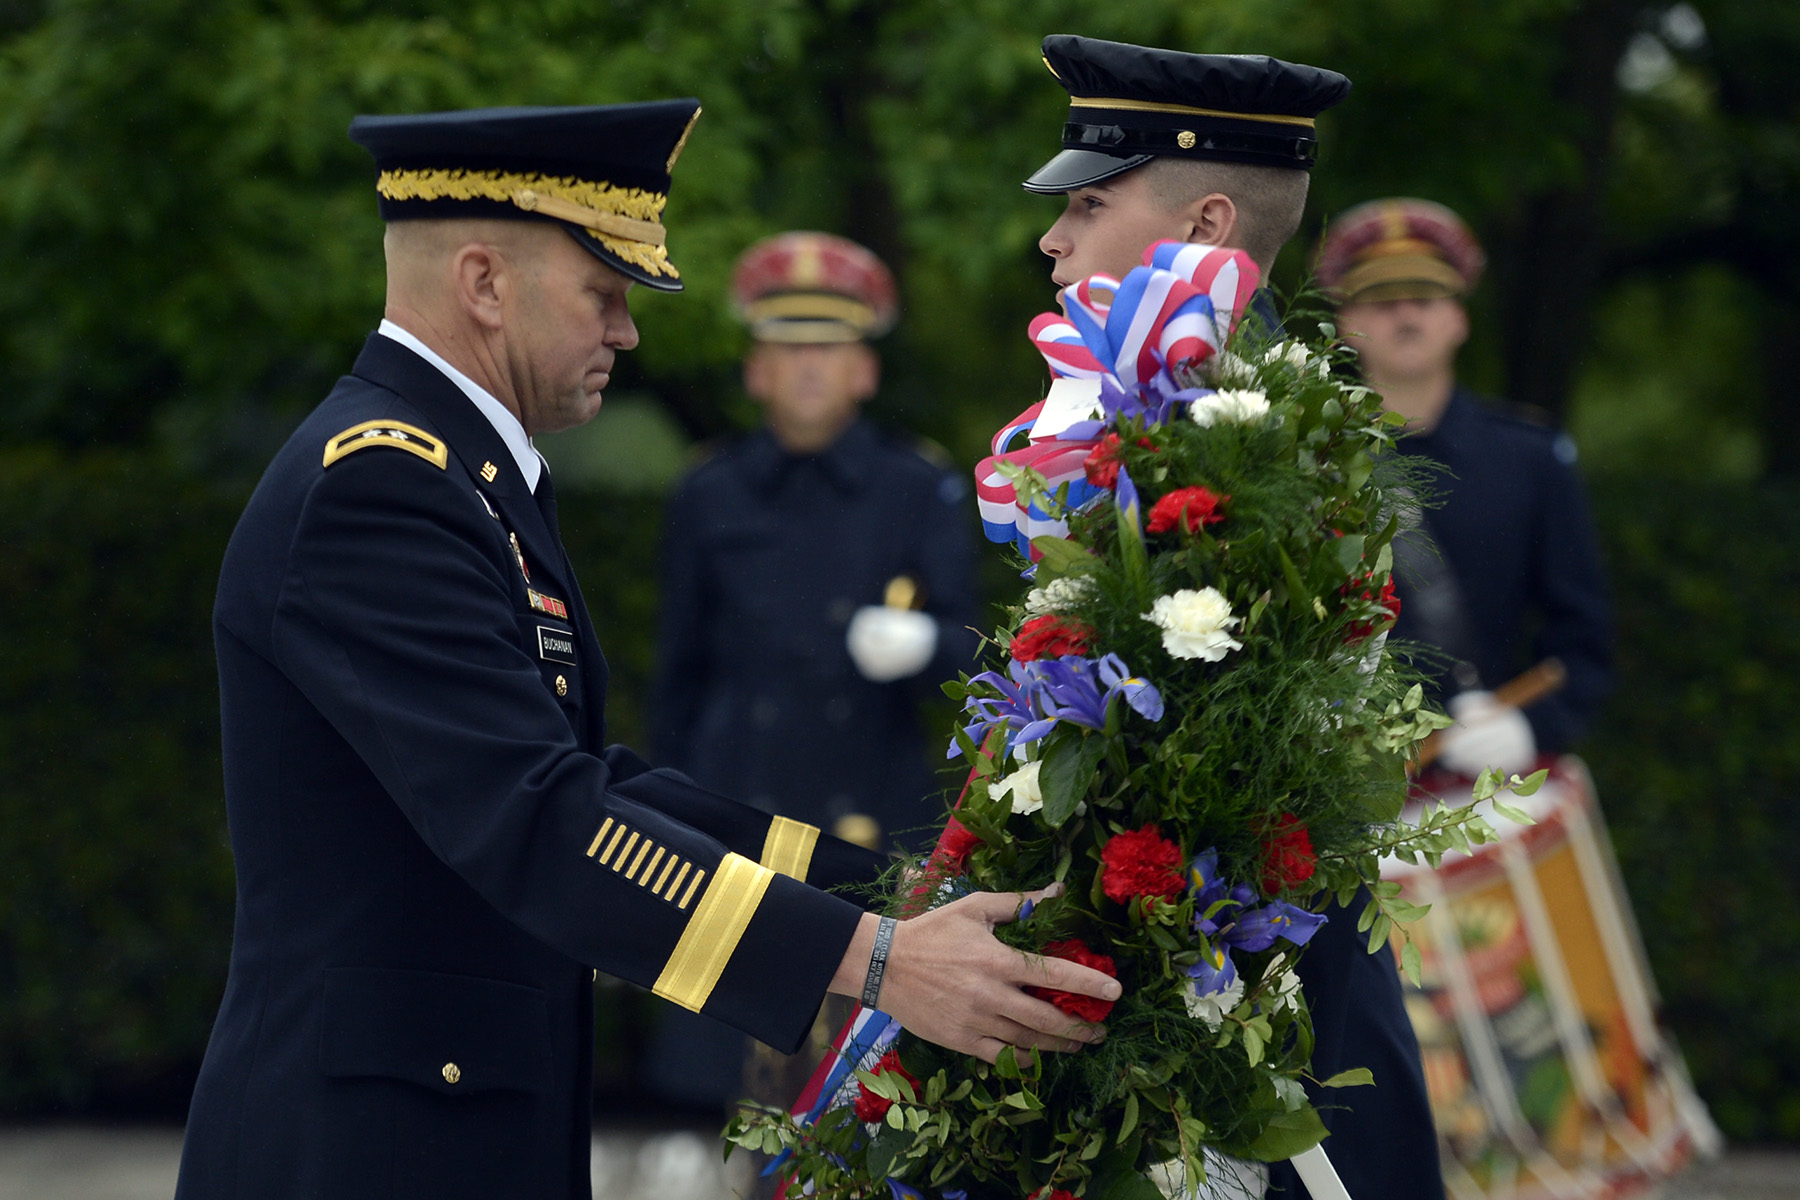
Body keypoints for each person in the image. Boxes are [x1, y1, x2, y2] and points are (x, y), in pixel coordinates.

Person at [173, 101, 1119, 1200]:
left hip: (430, 1119)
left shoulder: (462, 475)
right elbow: (534, 816)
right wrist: (880, 964)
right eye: (605, 295)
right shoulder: (381, 485)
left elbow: (598, 782)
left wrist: (903, 889)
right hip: (362, 1148)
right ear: (483, 282)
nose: (626, 332)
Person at [1024, 36, 1445, 1199]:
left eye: (1089, 203)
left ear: (1206, 225)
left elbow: (1214, 782)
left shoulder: (1257, 437)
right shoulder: (1145, 417)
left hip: (1235, 1012)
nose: (1052, 237)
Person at [645, 232, 981, 1113]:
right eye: (787, 349)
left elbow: (975, 655)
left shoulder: (919, 487)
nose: (806, 370)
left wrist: (921, 645)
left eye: (828, 349)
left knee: (868, 1090)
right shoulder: (709, 492)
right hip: (736, 811)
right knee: (735, 1099)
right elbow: (678, 673)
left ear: (864, 371)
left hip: (865, 819)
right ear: (754, 369)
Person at [1316, 199, 1613, 777]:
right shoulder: (1312, 460)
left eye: (1424, 300)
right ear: (1348, 321)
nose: (1405, 317)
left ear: (1459, 319)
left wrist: (1531, 727)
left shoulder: (1531, 459)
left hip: (1491, 786)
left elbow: (1585, 639)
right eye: (1381, 301)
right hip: (1343, 792)